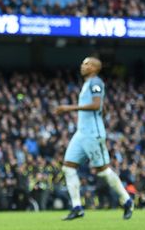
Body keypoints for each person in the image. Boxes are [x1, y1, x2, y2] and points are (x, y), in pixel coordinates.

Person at [55, 56, 133, 221]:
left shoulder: (96, 82)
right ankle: (77, 207)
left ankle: (127, 200)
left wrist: (69, 108)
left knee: (103, 172)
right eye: (83, 63)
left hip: (92, 134)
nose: (83, 66)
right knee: (68, 168)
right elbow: (101, 107)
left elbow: (96, 105)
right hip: (81, 133)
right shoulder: (87, 83)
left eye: (87, 63)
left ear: (95, 68)